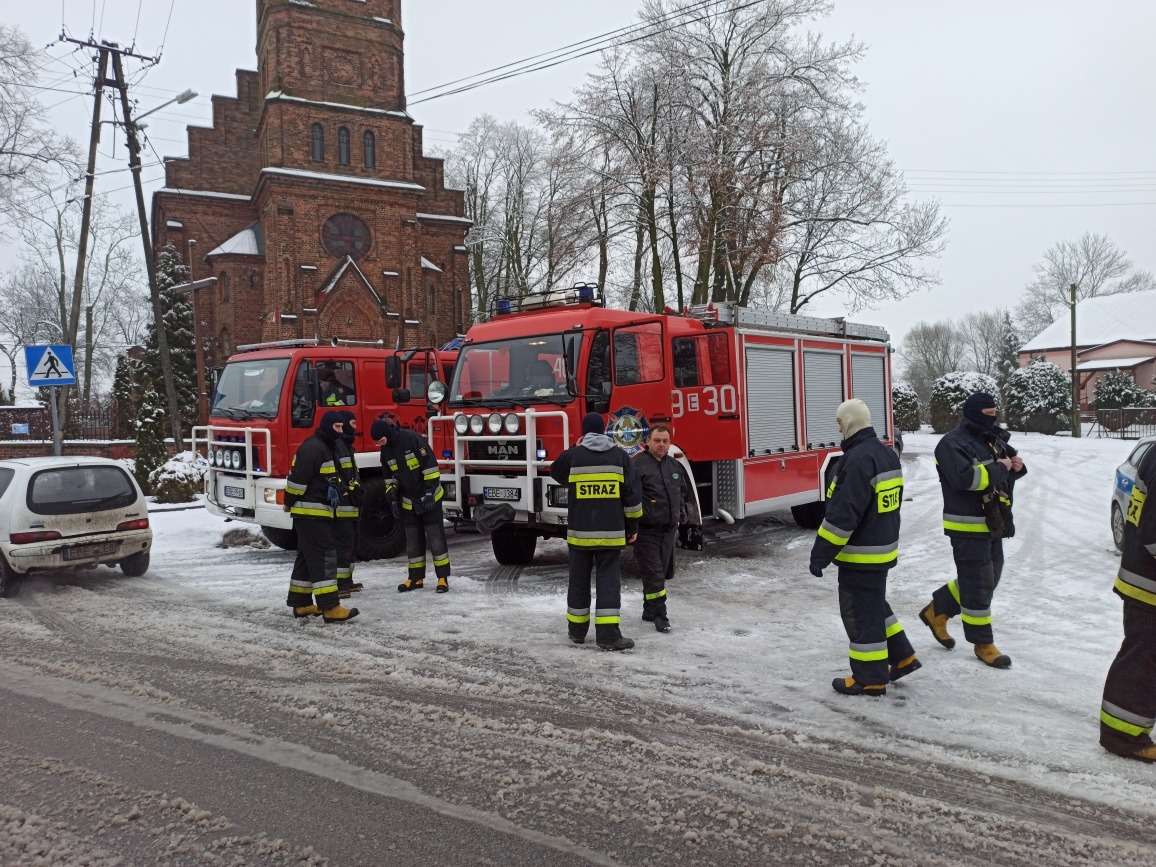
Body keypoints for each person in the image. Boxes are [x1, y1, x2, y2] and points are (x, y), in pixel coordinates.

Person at [809, 399, 917, 696]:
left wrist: (821, 555)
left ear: (850, 422)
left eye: (840, 421)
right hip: (881, 549)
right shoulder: (886, 455)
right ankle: (901, 655)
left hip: (860, 554)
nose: (839, 427)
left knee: (860, 613)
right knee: (874, 605)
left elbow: (843, 516)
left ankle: (870, 677)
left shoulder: (856, 460)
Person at [919, 392, 1026, 668]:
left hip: (993, 523)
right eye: (988, 414)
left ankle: (937, 610)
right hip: (966, 525)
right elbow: (966, 479)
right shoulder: (951, 444)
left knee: (989, 578)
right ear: (975, 413)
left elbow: (999, 474)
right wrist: (1000, 468)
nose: (993, 419)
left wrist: (1015, 467)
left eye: (995, 414)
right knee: (979, 584)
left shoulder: (987, 438)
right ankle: (983, 643)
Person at [550, 412, 643, 651]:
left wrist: (574, 446)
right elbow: (632, 498)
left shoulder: (574, 456)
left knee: (578, 581)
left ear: (584, 432)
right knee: (608, 582)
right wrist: (632, 528)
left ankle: (577, 631)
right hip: (611, 534)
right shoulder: (621, 456)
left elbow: (555, 472)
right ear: (604, 430)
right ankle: (608, 635)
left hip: (580, 534)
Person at [1099, 443, 1156, 763]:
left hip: (1143, 577)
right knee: (1143, 659)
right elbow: (1153, 531)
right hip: (1148, 583)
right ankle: (1121, 734)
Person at [283, 410, 359, 623]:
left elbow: (330, 477)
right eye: (336, 427)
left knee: (307, 558)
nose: (340, 431)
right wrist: (288, 502)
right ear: (326, 426)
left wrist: (342, 489)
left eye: (341, 427)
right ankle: (330, 607)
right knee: (325, 555)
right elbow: (297, 481)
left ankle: (302, 603)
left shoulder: (327, 447)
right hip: (310, 513)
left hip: (318, 512)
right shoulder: (313, 448)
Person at [371, 415, 451, 594]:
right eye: (377, 443)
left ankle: (442, 579)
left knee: (436, 539)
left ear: (387, 434)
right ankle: (415, 578)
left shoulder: (412, 439)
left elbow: (430, 467)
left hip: (429, 499)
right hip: (409, 502)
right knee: (413, 542)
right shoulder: (386, 451)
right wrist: (391, 495)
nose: (380, 445)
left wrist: (429, 492)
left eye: (381, 441)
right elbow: (389, 476)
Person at [631, 423, 686, 634]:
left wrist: (680, 517)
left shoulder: (674, 466)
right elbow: (630, 498)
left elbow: (680, 493)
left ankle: (648, 609)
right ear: (647, 442)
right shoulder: (636, 466)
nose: (661, 445)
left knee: (659, 573)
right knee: (654, 574)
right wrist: (631, 527)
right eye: (657, 440)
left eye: (665, 441)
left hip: (668, 530)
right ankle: (661, 615)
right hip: (646, 530)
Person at [333, 410, 364, 598]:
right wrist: (344, 489)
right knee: (344, 545)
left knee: (353, 543)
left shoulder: (346, 446)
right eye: (352, 423)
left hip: (352, 504)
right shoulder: (337, 446)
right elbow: (335, 472)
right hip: (343, 506)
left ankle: (348, 580)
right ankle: (340, 584)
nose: (355, 427)